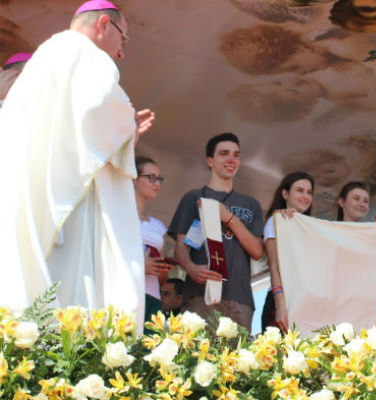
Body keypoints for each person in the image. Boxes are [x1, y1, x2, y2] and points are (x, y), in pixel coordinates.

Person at [0, 0, 155, 329]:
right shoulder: (87, 56)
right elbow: (99, 106)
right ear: (102, 25)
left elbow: (75, 133)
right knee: (76, 303)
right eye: (123, 39)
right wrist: (126, 125)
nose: (121, 53)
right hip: (72, 209)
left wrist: (123, 134)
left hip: (40, 200)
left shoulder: (46, 55)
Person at [168, 133, 264, 333]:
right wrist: (191, 268)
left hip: (240, 298)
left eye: (236, 155)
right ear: (210, 161)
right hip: (200, 295)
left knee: (238, 362)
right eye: (224, 154)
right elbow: (180, 247)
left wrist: (229, 218)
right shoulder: (194, 197)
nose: (231, 159)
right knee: (199, 361)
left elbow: (257, 251)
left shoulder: (251, 204)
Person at [261, 172, 315, 332]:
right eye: (300, 190)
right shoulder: (276, 221)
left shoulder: (313, 228)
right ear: (285, 194)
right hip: (282, 300)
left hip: (307, 302)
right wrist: (280, 306)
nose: (305, 196)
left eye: (309, 192)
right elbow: (274, 266)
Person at [134, 156, 170, 323]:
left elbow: (162, 278)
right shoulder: (119, 218)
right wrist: (141, 266)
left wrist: (162, 270)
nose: (157, 183)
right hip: (128, 291)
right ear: (133, 178)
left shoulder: (158, 226)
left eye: (159, 179)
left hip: (152, 295)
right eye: (151, 177)